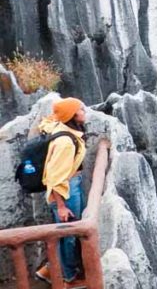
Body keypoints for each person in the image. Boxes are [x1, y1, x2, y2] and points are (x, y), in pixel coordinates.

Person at [34, 97, 88, 287]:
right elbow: (56, 178)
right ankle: (66, 277)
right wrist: (62, 206)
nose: (84, 110)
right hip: (66, 191)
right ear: (72, 116)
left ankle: (51, 269)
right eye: (80, 109)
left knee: (66, 233)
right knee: (69, 234)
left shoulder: (60, 126)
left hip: (69, 186)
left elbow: (48, 121)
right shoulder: (65, 142)